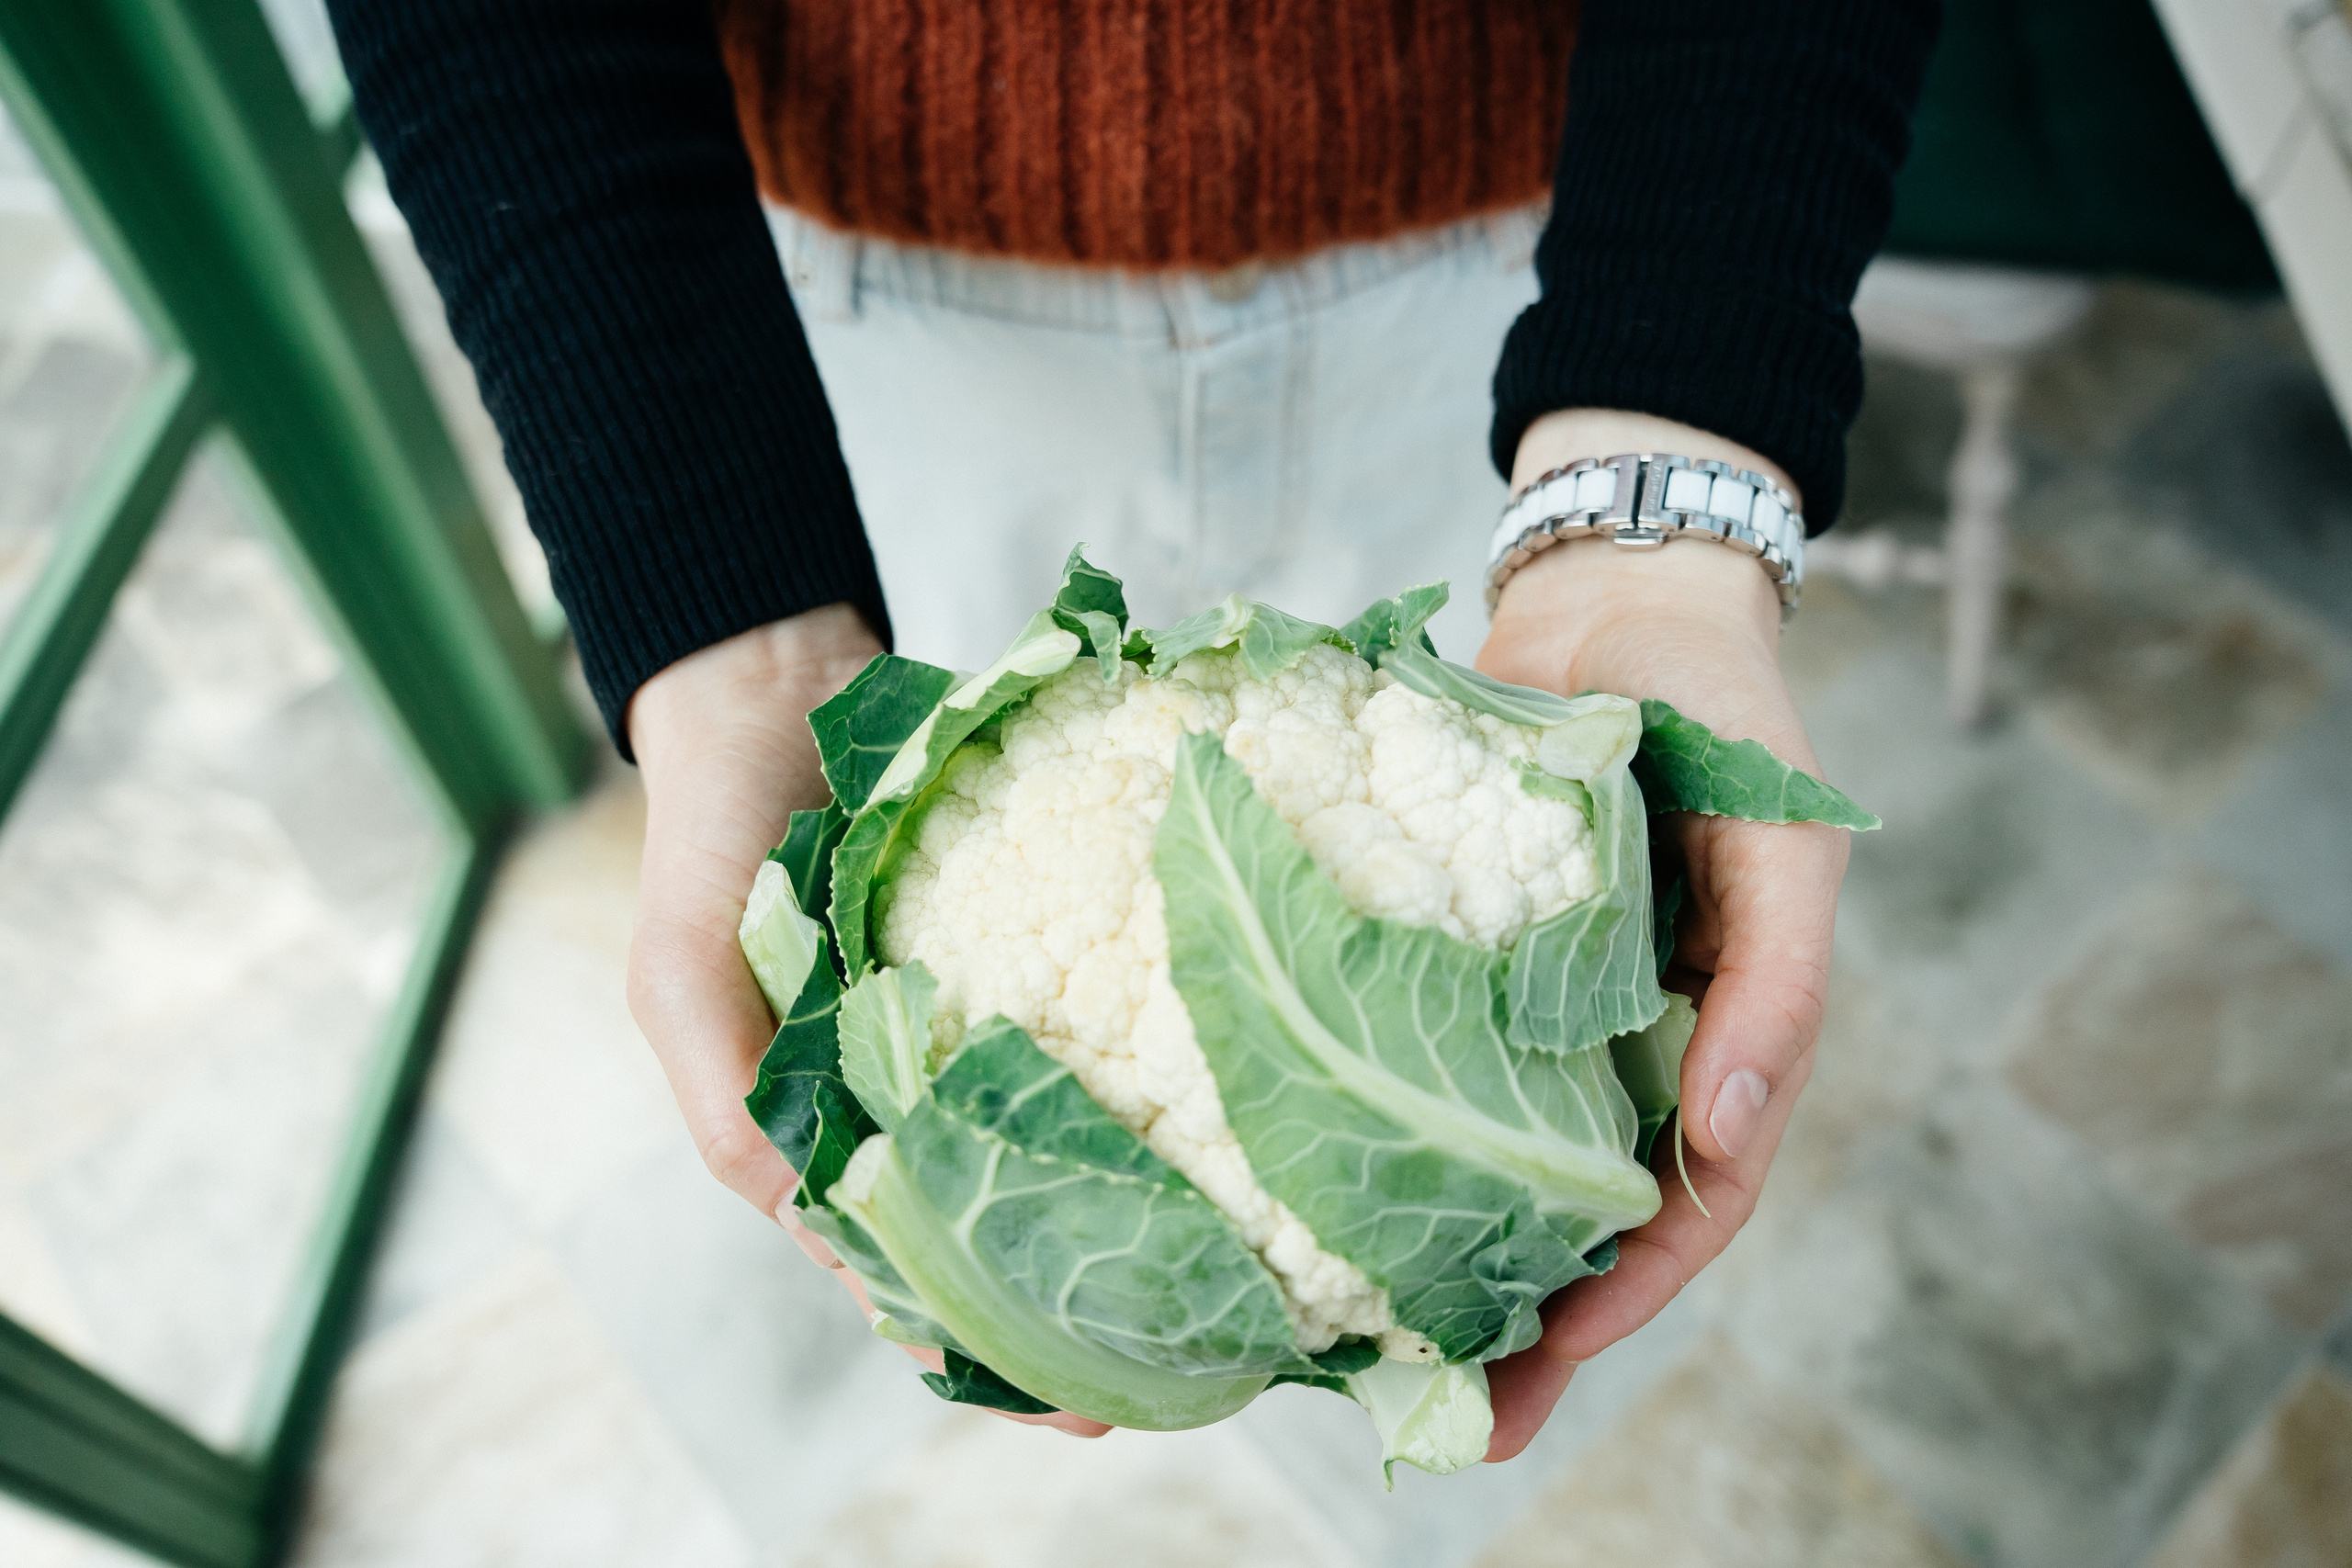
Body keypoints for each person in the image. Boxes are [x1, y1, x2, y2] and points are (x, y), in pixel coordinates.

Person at [329, 0, 1940, 1457]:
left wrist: (1666, 460)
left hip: (1528, 242)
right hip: (854, 299)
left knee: (1529, 724)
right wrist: (730, 640)